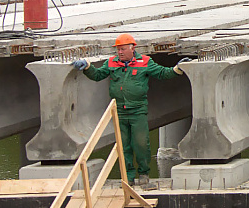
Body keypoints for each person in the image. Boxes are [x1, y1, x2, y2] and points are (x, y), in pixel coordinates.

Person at [73, 34, 191, 187]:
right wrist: (87, 67)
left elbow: (162, 73)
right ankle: (127, 177)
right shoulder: (112, 63)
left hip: (137, 110)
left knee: (141, 143)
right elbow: (98, 75)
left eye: (122, 49)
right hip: (120, 112)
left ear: (132, 48)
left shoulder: (145, 62)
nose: (120, 52)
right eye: (118, 50)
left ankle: (143, 174)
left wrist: (177, 69)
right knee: (123, 146)